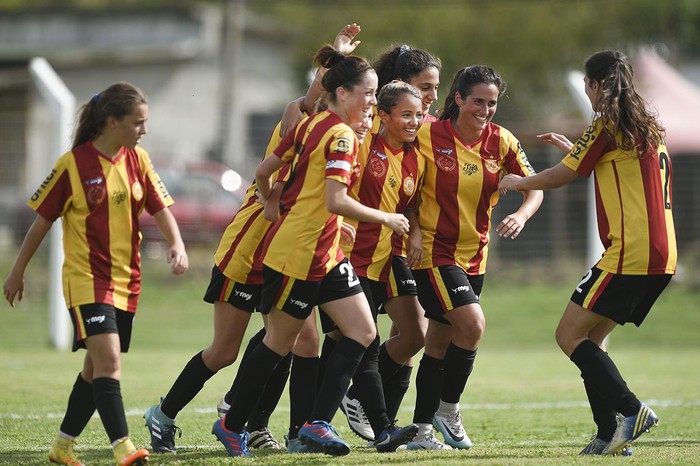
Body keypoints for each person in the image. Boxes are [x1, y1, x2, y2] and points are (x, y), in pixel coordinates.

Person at [211, 45, 414, 458]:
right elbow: (336, 200)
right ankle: (232, 424)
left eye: (375, 94)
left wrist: (272, 203)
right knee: (276, 344)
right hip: (299, 255)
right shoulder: (339, 135)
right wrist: (387, 218)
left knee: (362, 330)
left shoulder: (313, 124)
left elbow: (264, 171)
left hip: (326, 253)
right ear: (341, 93)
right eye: (368, 93)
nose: (373, 102)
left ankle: (317, 423)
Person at [499, 50, 676, 456]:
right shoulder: (645, 126)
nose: (585, 89)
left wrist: (520, 180)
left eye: (586, 83)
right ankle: (609, 434)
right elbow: (608, 164)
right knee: (591, 338)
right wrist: (577, 149)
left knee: (568, 335)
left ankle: (631, 412)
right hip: (661, 253)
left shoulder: (606, 122)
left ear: (595, 85)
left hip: (630, 253)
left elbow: (563, 174)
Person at [2, 82, 189, 466]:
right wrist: (17, 271)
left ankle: (62, 446)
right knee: (109, 365)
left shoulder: (138, 159)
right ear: (112, 122)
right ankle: (123, 446)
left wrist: (177, 243)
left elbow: (160, 206)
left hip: (128, 281)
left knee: (94, 369)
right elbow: (41, 222)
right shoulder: (73, 165)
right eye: (138, 123)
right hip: (87, 280)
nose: (144, 130)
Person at [407, 65, 544, 450]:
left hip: (475, 258)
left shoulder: (501, 141)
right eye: (478, 101)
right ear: (459, 99)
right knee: (473, 326)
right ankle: (448, 411)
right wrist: (413, 228)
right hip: (435, 254)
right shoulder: (427, 134)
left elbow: (534, 187)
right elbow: (405, 184)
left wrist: (520, 213)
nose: (484, 109)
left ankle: (421, 433)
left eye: (492, 102)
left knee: (437, 345)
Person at [316, 80, 426, 446]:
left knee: (343, 347)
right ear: (383, 116)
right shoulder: (364, 144)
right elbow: (335, 190)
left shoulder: (414, 157)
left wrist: (413, 233)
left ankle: (309, 425)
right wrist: (341, 224)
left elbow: (407, 203)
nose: (414, 121)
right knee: (360, 341)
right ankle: (381, 427)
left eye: (418, 114)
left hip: (383, 263)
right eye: (406, 114)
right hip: (348, 260)